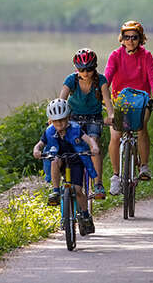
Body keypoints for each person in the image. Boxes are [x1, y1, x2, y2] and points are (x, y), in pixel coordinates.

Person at [104, 20, 153, 195]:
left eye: (134, 37)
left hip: (141, 100)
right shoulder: (115, 56)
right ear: (121, 39)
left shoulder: (146, 56)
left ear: (141, 39)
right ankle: (116, 176)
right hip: (120, 101)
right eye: (127, 37)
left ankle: (144, 166)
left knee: (141, 126)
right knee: (115, 134)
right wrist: (100, 93)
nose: (130, 41)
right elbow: (107, 77)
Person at [33, 98, 100, 234]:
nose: (60, 123)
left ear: (68, 117)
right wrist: (37, 150)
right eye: (56, 121)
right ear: (51, 120)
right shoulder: (49, 132)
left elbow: (89, 140)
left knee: (77, 190)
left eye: (63, 120)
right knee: (54, 160)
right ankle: (56, 191)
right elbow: (40, 144)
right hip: (61, 161)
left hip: (76, 161)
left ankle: (85, 215)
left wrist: (94, 147)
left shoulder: (75, 129)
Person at [59, 48, 114, 199]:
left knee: (93, 142)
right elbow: (62, 99)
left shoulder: (101, 80)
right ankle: (66, 176)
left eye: (89, 69)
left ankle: (98, 184)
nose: (85, 73)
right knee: (66, 144)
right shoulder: (71, 80)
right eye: (82, 69)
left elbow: (107, 100)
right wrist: (57, 117)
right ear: (76, 68)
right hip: (73, 117)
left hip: (94, 118)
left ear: (95, 67)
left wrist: (111, 115)